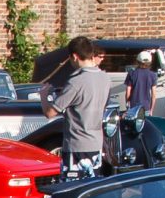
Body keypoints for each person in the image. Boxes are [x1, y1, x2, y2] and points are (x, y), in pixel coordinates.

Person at [42, 37, 120, 179]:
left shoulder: (75, 82)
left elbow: (50, 112)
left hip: (77, 146)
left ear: (75, 56)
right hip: (96, 143)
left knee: (72, 190)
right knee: (91, 189)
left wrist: (43, 95)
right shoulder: (105, 78)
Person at [123, 50, 159, 166]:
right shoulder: (152, 75)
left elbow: (128, 92)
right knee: (147, 133)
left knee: (133, 134)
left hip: (133, 109)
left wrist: (127, 104)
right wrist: (152, 109)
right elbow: (154, 95)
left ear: (137, 61)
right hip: (146, 108)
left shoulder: (132, 74)